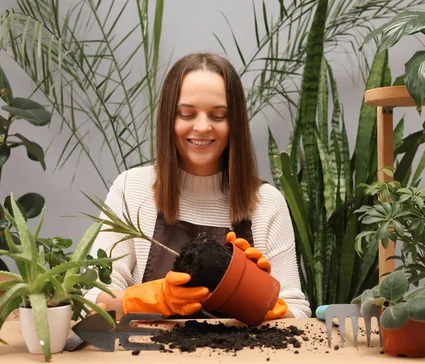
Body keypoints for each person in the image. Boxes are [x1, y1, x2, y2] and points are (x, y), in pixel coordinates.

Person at [85, 53, 311, 320]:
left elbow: (297, 311)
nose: (202, 127)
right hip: (147, 359)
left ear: (234, 123)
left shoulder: (266, 203)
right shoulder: (131, 190)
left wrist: (257, 296)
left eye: (218, 115)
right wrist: (158, 298)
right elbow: (89, 300)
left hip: (244, 361)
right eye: (187, 113)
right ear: (169, 118)